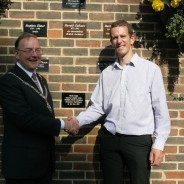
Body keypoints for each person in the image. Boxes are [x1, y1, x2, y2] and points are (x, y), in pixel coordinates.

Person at [68, 20, 171, 184]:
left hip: (138, 142)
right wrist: (77, 121)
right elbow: (97, 108)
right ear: (111, 41)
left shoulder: (150, 70)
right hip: (110, 140)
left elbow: (160, 111)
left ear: (132, 39)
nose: (119, 40)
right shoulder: (107, 73)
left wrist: (158, 144)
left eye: (123, 36)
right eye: (115, 37)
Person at [0, 32, 78, 184]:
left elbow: (45, 115)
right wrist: (62, 124)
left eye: (37, 50)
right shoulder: (8, 82)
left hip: (43, 165)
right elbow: (25, 119)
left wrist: (67, 126)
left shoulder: (41, 80)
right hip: (22, 167)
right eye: (28, 50)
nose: (34, 55)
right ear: (17, 55)